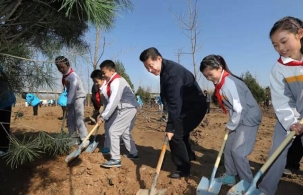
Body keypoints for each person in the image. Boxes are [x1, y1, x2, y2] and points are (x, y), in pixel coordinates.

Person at [139, 47, 207, 178]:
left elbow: (175, 103)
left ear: (159, 58)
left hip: (194, 107)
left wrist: (170, 127)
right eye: (147, 68)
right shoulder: (165, 69)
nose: (149, 70)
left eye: (151, 66)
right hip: (186, 107)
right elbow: (167, 96)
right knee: (182, 131)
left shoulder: (172, 74)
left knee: (175, 134)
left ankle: (183, 169)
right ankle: (189, 155)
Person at [200, 55, 262, 186]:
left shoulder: (229, 84)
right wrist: (232, 123)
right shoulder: (221, 84)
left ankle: (247, 183)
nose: (209, 79)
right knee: (228, 149)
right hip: (238, 118)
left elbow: (239, 109)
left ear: (220, 68)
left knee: (238, 152)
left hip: (248, 119)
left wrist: (231, 125)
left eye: (210, 74)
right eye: (206, 77)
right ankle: (230, 175)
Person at [258, 16, 303, 195]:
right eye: (275, 45)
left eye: (284, 41)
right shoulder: (278, 69)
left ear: (300, 34)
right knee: (276, 151)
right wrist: (292, 121)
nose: (280, 48)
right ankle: (265, 189)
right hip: (290, 117)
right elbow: (282, 100)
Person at [97, 60, 139, 168]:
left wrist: (103, 117)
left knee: (113, 131)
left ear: (112, 71)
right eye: (102, 73)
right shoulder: (113, 81)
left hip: (127, 108)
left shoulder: (116, 81)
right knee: (125, 132)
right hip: (129, 108)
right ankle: (134, 153)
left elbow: (113, 101)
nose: (103, 75)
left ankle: (115, 159)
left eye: (104, 72)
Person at [55, 56, 89, 148]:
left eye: (63, 67)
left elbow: (73, 91)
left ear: (68, 64)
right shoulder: (65, 76)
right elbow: (68, 91)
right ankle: (73, 139)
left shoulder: (73, 76)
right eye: (59, 68)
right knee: (70, 119)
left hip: (79, 97)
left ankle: (84, 139)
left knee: (79, 118)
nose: (61, 69)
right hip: (71, 99)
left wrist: (68, 104)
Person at [0, 65, 16, 156]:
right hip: (4, 103)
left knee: (3, 125)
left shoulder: (2, 80)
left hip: (5, 104)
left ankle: (4, 149)